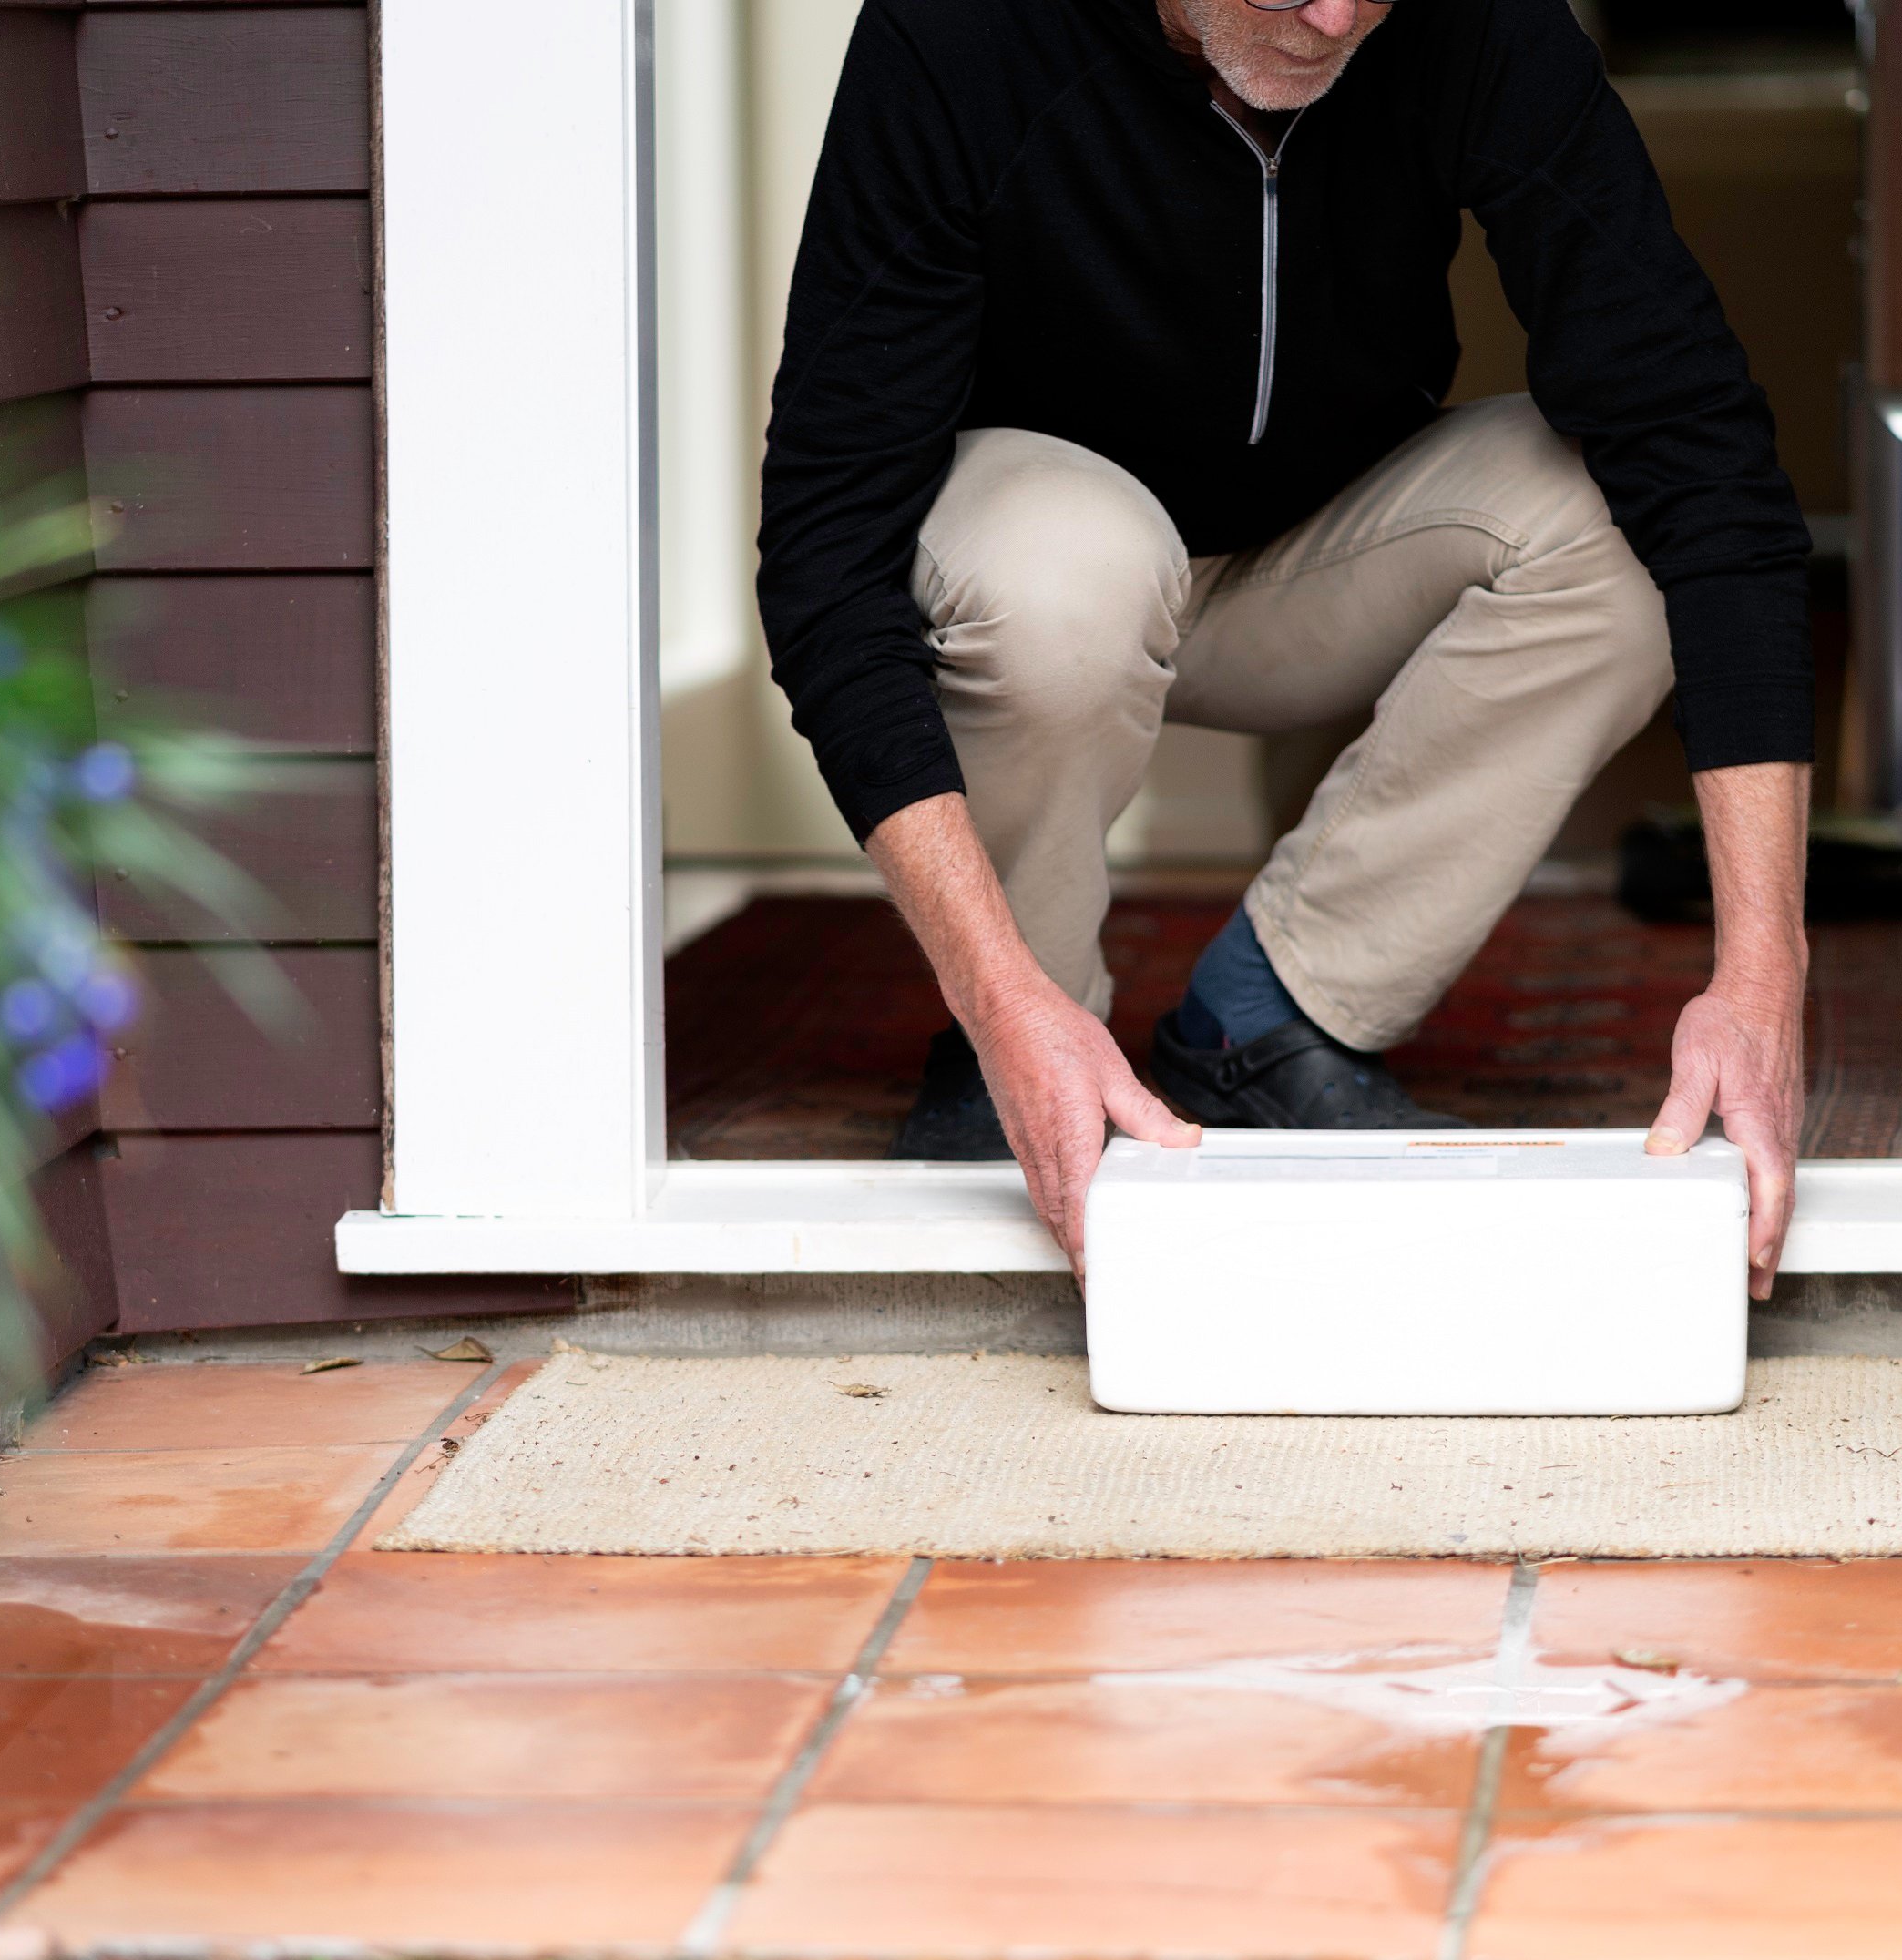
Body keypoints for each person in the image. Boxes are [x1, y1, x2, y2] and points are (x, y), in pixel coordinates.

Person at [756, 0, 1811, 1296]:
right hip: (1041, 571)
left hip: (1317, 567)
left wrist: (1762, 971)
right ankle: (1028, 1037)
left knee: (1621, 529)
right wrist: (993, 992)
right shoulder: (958, 33)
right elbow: (824, 557)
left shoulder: (1472, 26)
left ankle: (1271, 1019)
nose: (1331, 17)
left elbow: (1700, 453)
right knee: (1070, 568)